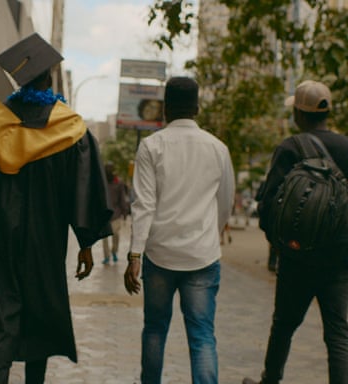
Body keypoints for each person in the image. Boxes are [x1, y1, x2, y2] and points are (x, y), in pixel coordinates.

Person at [0, 33, 112, 384]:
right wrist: (85, 242)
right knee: (40, 312)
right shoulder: (70, 130)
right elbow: (84, 192)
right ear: (49, 80)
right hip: (43, 239)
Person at [124, 77, 235, 384]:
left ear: (165, 109)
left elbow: (143, 204)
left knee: (155, 329)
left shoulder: (151, 146)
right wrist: (210, 234)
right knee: (202, 336)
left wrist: (135, 254)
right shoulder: (218, 148)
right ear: (197, 108)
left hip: (159, 255)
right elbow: (225, 202)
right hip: (202, 255)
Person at [243, 80, 348, 384]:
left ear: (298, 115)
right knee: (338, 333)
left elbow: (268, 205)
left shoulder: (291, 147)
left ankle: (270, 380)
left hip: (297, 258)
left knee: (284, 325)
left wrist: (280, 246)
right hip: (339, 260)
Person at [102, 161, 129, 265]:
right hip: (104, 214)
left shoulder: (119, 183)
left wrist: (125, 212)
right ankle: (106, 256)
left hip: (116, 214)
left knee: (116, 234)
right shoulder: (102, 182)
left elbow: (122, 199)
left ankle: (114, 251)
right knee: (104, 237)